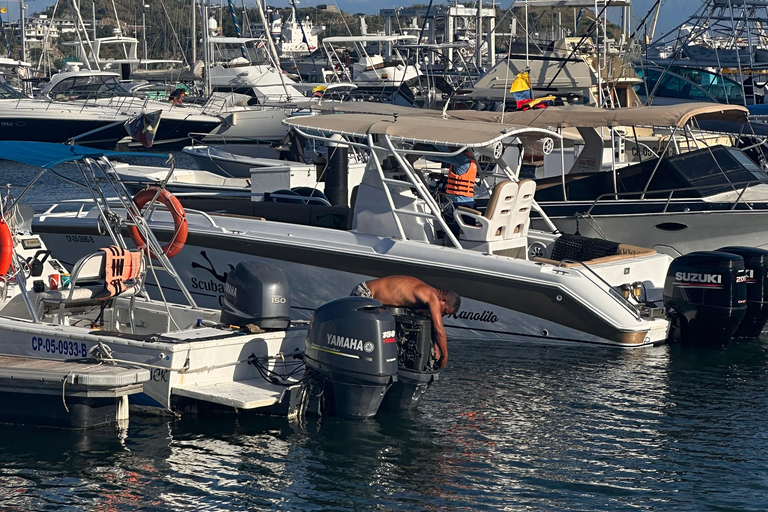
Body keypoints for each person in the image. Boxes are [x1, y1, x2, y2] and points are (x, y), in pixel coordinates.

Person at [350, 276, 461, 369]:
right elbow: (439, 329)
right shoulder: (432, 297)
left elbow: (429, 322)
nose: (441, 314)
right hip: (365, 293)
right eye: (444, 311)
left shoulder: (426, 296)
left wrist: (435, 345)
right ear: (443, 300)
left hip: (371, 297)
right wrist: (445, 357)